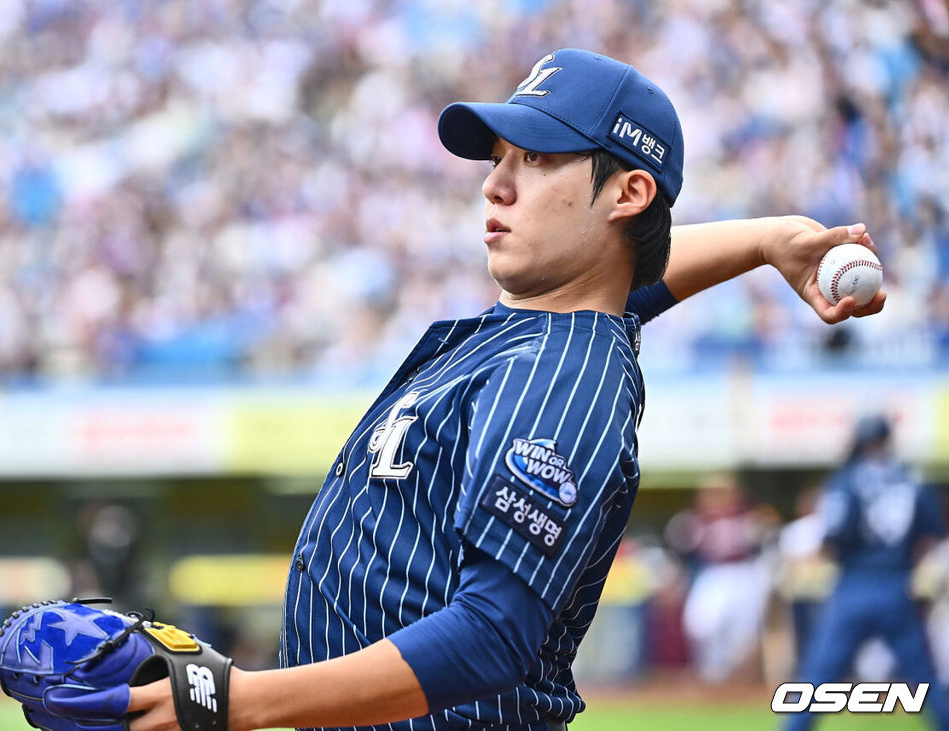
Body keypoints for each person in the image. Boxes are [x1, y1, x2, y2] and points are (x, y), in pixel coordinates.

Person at [128, 48, 884, 731]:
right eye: (497, 157)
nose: (494, 184)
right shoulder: (551, 325)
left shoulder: (563, 375)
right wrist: (760, 241)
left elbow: (489, 633)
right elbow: (625, 278)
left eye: (535, 157)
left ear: (627, 192)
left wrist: (240, 700)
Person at [784, 415, 949, 731]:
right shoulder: (912, 480)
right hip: (897, 586)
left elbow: (832, 537)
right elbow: (930, 536)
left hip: (854, 586)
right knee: (923, 677)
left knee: (819, 677)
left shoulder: (845, 480)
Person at [665, 473, 776, 683]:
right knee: (699, 625)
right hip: (713, 573)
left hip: (743, 573)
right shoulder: (695, 518)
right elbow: (679, 549)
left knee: (742, 634)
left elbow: (767, 547)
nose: (716, 497)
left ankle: (734, 680)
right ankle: (712, 674)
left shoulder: (750, 515)